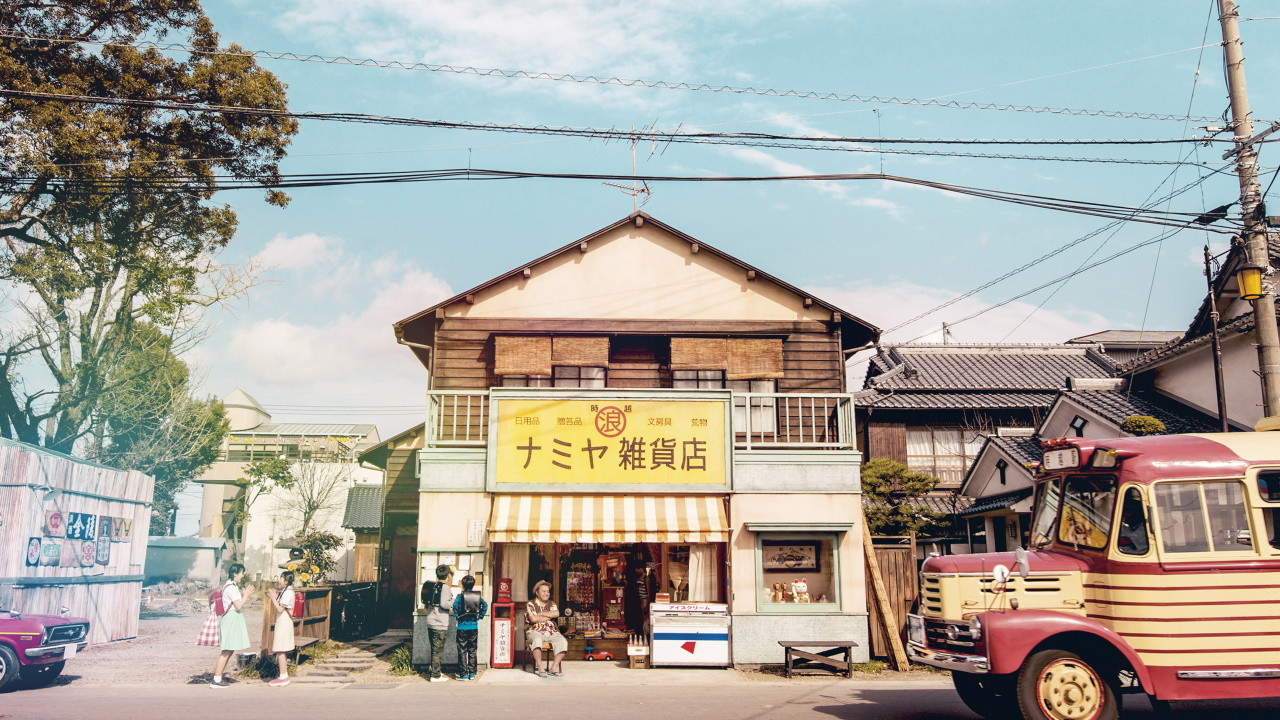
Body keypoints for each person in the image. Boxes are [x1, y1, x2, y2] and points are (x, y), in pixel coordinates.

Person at [211, 563, 255, 688]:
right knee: (226, 651)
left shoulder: (229, 586)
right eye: (241, 573)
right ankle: (216, 680)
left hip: (230, 618)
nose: (242, 575)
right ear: (235, 574)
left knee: (229, 650)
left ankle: (218, 678)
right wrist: (246, 595)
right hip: (231, 618)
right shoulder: (231, 588)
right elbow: (239, 606)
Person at [525, 580, 567, 678]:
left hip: (551, 631)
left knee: (563, 641)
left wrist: (541, 614)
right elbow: (533, 619)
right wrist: (549, 616)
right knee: (537, 640)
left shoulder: (551, 603)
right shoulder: (530, 604)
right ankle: (540, 667)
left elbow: (556, 613)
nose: (546, 594)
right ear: (537, 593)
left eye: (547, 591)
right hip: (535, 630)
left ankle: (553, 668)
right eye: (543, 591)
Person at [420, 564, 454, 682]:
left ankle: (434, 669)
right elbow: (445, 604)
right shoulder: (445, 588)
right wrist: (453, 603)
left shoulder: (432, 585)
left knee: (434, 647)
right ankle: (435, 675)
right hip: (440, 621)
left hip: (431, 620)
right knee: (438, 649)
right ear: (448, 576)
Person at [452, 574, 488, 680]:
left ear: (462, 585)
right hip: (473, 626)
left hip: (462, 627)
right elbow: (485, 605)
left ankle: (463, 673)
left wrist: (457, 616)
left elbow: (455, 606)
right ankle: (472, 673)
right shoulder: (477, 596)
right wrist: (479, 616)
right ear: (473, 585)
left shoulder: (460, 596)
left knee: (462, 650)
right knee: (472, 649)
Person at [265, 570, 297, 687]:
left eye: (281, 578)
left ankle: (283, 676)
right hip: (282, 621)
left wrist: (273, 598)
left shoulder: (288, 593)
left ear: (287, 581)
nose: (280, 580)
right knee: (280, 648)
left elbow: (279, 609)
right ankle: (282, 675)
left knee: (281, 648)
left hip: (284, 622)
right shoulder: (286, 591)